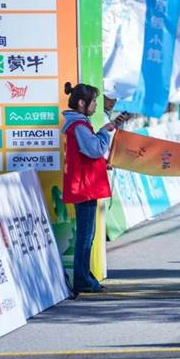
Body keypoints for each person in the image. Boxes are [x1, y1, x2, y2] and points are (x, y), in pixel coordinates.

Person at [62, 82, 118, 294]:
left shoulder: (79, 124)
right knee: (86, 236)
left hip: (85, 186)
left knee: (87, 235)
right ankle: (83, 279)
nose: (96, 105)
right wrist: (104, 133)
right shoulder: (79, 126)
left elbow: (87, 154)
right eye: (94, 101)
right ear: (81, 103)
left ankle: (85, 277)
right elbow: (94, 149)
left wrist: (102, 163)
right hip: (84, 187)